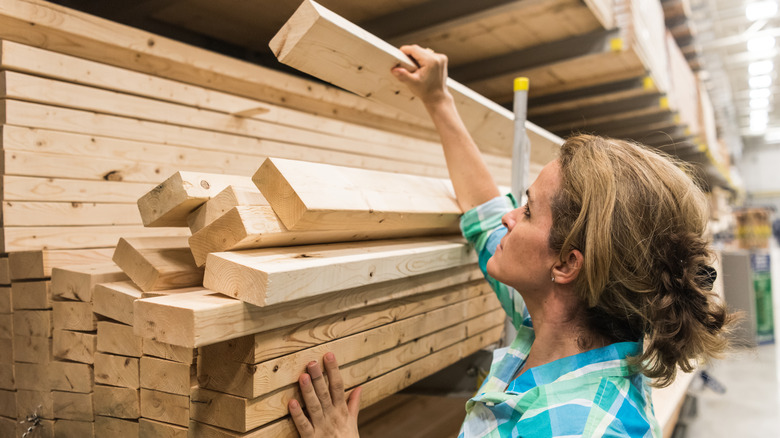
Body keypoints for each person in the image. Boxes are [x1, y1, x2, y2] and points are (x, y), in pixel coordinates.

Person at [287, 45, 734, 438]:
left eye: (527, 210)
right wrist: (438, 99)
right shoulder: (563, 324)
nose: (507, 217)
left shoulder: (574, 429)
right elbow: (484, 216)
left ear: (566, 264)